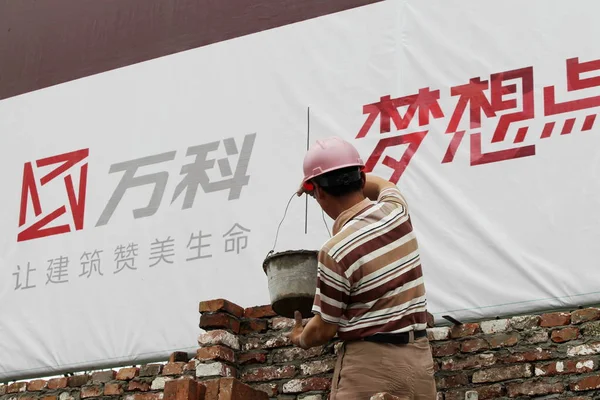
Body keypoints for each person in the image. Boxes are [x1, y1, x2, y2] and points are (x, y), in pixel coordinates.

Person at [286, 136, 437, 400]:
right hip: (419, 362)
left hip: (370, 368)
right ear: (361, 179)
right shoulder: (396, 211)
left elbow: (324, 328)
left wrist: (300, 337)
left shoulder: (335, 250)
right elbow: (381, 184)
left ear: (319, 193)